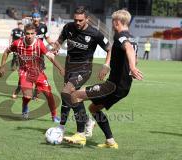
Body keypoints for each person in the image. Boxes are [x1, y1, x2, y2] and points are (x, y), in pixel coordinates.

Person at [61, 9, 143, 148]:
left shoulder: (120, 36)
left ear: (117, 22)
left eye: (113, 22)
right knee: (94, 108)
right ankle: (110, 141)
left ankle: (80, 135)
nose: (112, 25)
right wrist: (128, 67)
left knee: (74, 95)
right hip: (124, 88)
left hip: (112, 86)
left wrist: (133, 68)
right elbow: (134, 55)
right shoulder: (133, 39)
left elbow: (128, 49)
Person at [51, 6, 111, 145]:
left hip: (84, 69)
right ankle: (68, 125)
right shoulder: (68, 27)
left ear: (87, 19)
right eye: (75, 20)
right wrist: (56, 46)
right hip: (69, 67)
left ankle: (80, 132)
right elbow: (60, 40)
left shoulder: (95, 34)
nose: (77, 23)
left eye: (80, 20)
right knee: (67, 97)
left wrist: (106, 65)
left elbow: (109, 48)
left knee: (67, 92)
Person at [0, 23, 65, 121]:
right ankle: (25, 107)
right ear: (24, 33)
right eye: (27, 33)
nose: (29, 36)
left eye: (31, 33)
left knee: (49, 95)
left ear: (35, 34)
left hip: (38, 73)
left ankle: (54, 116)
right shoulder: (18, 43)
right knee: (28, 96)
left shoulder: (39, 44)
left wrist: (61, 68)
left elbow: (50, 56)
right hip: (24, 72)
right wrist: (2, 67)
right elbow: (6, 52)